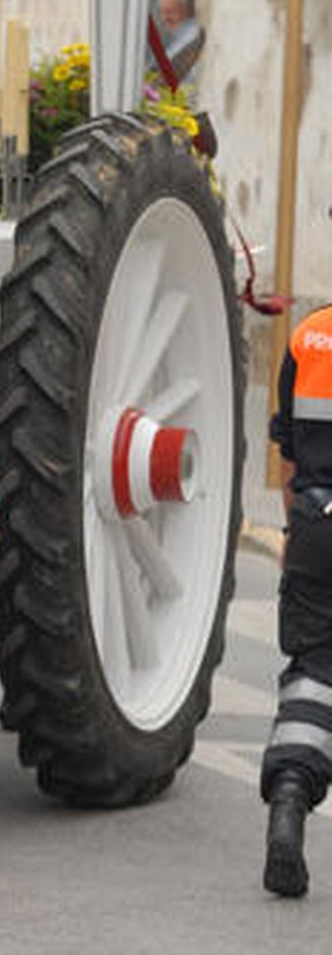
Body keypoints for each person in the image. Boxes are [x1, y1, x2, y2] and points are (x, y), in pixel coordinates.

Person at [260, 304, 332, 898]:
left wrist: (293, 533)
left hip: (315, 523)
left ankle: (288, 797)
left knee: (312, 673)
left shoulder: (310, 335)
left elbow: (287, 456)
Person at [156, 0, 204, 84]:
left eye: (170, 12)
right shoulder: (176, 36)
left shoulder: (192, 33)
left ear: (188, 10)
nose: (164, 18)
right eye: (162, 12)